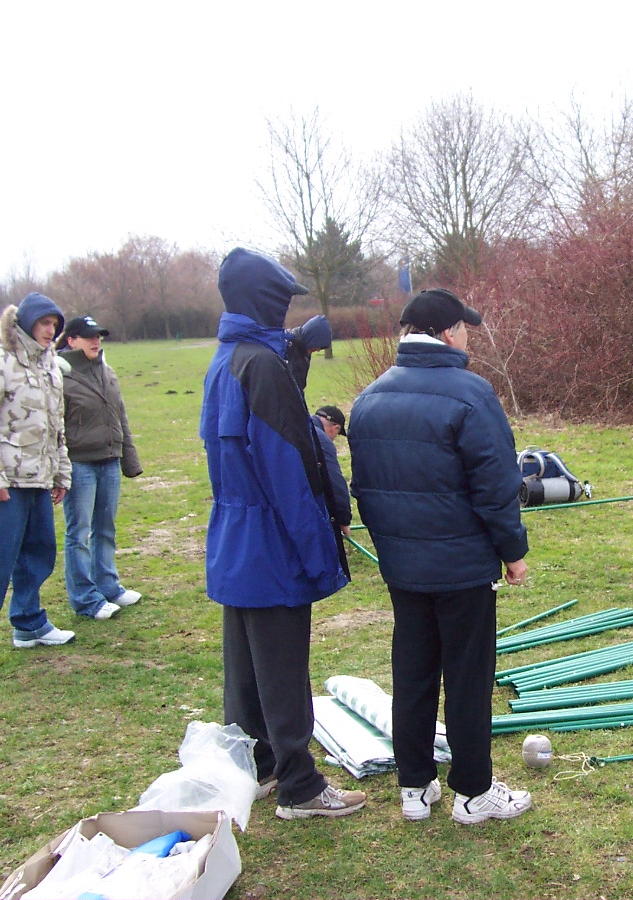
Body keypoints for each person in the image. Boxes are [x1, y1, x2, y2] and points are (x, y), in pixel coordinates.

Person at [348, 287, 532, 824]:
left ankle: (415, 786)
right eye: (465, 328)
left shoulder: (370, 397)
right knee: (468, 678)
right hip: (462, 568)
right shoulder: (472, 394)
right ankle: (474, 793)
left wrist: (390, 549)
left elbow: (365, 489)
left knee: (413, 673)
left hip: (403, 567)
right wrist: (513, 551)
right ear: (449, 333)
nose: (468, 336)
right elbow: (496, 485)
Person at [200, 247, 364, 819]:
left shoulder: (229, 358)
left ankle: (261, 765)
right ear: (265, 301)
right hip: (270, 540)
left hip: (236, 538)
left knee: (247, 667)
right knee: (282, 668)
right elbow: (288, 472)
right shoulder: (260, 366)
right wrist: (320, 554)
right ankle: (300, 787)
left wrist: (294, 353)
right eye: (282, 302)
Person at [0, 293, 76, 660]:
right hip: (6, 480)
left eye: (54, 325)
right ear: (25, 323)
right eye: (44, 323)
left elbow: (56, 426)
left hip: (40, 477)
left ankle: (29, 623)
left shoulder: (50, 364)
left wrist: (61, 472)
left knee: (39, 552)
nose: (50, 330)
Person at [57, 315, 144, 621]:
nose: (96, 341)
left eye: (98, 336)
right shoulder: (59, 375)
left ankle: (108, 585)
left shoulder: (107, 371)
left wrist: (129, 459)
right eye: (88, 336)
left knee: (105, 528)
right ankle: (85, 598)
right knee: (78, 532)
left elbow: (120, 416)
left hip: (109, 460)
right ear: (71, 340)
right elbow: (54, 426)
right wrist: (59, 470)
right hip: (79, 463)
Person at [312, 404, 353, 579]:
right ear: (335, 428)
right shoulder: (321, 439)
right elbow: (334, 482)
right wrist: (343, 519)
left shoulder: (301, 427)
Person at [286, 314, 332, 394]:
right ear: (311, 338)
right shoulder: (287, 348)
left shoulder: (304, 353)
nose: (318, 350)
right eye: (318, 345)